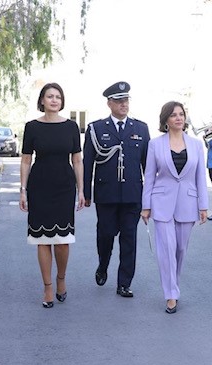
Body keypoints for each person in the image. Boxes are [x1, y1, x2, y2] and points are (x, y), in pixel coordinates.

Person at [19, 82, 84, 308]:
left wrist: (82, 190)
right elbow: (26, 159)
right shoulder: (32, 127)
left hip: (64, 187)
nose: (54, 100)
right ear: (42, 101)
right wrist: (23, 190)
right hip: (39, 186)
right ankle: (47, 287)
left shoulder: (71, 127)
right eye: (49, 96)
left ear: (61, 101)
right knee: (42, 240)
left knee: (63, 241)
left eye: (58, 96)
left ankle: (61, 279)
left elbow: (77, 160)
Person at [83, 81, 150, 298]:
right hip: (107, 194)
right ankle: (103, 265)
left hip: (132, 195)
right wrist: (86, 192)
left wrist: (149, 199)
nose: (124, 104)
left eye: (126, 100)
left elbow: (147, 166)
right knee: (105, 235)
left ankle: (124, 283)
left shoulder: (140, 128)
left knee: (129, 239)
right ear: (109, 103)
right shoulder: (96, 128)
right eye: (119, 100)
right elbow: (88, 162)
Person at [141, 101, 208, 314]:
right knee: (167, 250)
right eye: (173, 115)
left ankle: (174, 284)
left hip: (187, 203)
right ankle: (171, 294)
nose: (178, 118)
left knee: (180, 250)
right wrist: (146, 206)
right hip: (161, 203)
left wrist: (203, 206)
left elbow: (200, 178)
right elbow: (149, 176)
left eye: (181, 114)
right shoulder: (155, 144)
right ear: (166, 120)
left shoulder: (196, 145)